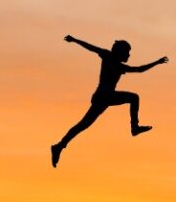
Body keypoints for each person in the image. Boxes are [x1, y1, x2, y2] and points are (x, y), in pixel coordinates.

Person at [52, 34, 169, 168]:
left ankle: (59, 146)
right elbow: (91, 47)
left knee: (83, 125)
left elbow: (139, 69)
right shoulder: (107, 56)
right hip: (103, 96)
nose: (129, 55)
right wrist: (74, 40)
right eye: (128, 53)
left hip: (105, 97)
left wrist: (156, 62)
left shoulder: (120, 67)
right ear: (121, 52)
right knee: (133, 98)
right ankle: (134, 128)